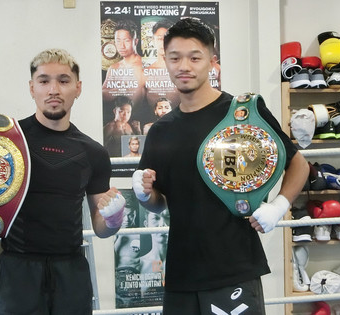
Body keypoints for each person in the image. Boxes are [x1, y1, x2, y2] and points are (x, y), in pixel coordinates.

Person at [131, 18, 309, 314]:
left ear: (212, 62)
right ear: (165, 62)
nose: (184, 66)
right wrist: (143, 194)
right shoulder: (161, 130)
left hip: (234, 269)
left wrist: (279, 205)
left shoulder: (243, 114)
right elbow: (158, 202)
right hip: (181, 274)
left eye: (194, 57)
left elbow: (298, 164)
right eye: (175, 58)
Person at [0, 48, 127, 315]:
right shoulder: (4, 142)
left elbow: (101, 229)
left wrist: (113, 220)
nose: (54, 89)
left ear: (78, 88)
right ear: (32, 88)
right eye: (44, 81)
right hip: (18, 271)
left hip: (72, 273)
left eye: (63, 81)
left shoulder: (94, 152)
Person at [102, 20, 146, 114]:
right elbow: (103, 95)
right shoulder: (114, 67)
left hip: (140, 117)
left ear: (136, 41)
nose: (121, 46)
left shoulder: (145, 66)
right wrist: (121, 89)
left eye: (126, 41)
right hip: (117, 117)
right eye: (118, 41)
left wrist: (116, 90)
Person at [144, 19, 180, 113]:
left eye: (167, 39)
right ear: (153, 40)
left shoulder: (184, 69)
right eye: (160, 39)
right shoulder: (145, 73)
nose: (164, 43)